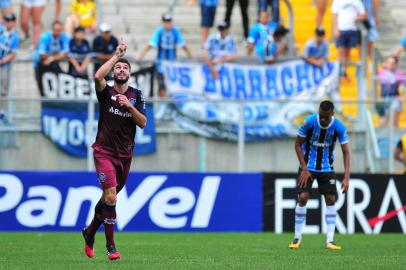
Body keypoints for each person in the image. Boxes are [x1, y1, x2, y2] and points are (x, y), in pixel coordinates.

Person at [82, 39, 147, 261]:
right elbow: (97, 77)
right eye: (118, 67)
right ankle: (110, 245)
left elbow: (143, 123)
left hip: (125, 155)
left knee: (108, 199)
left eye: (125, 67)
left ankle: (90, 232)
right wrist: (116, 56)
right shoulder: (106, 92)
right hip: (104, 152)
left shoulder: (136, 95)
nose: (121, 69)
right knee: (111, 196)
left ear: (129, 73)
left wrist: (129, 107)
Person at [289, 100, 350, 250]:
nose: (323, 119)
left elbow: (346, 152)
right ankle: (297, 238)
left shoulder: (339, 127)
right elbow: (297, 145)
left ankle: (330, 241)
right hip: (307, 167)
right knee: (303, 197)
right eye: (321, 116)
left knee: (330, 199)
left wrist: (347, 177)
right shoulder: (309, 122)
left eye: (326, 117)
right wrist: (304, 168)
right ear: (318, 112)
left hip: (326, 168)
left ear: (332, 115)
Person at [136, 13, 192, 96]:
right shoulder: (159, 31)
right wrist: (141, 55)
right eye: (166, 21)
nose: (168, 24)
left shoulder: (175, 31)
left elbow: (182, 44)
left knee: (172, 85)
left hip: (172, 64)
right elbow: (151, 44)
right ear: (163, 22)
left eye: (169, 21)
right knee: (161, 85)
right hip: (160, 64)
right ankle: (162, 103)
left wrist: (190, 55)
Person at [33, 20, 70, 95]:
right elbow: (42, 55)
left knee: (57, 82)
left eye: (60, 30)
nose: (58, 32)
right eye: (56, 30)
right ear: (52, 30)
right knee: (41, 86)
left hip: (52, 62)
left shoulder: (64, 37)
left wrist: (51, 58)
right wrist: (57, 56)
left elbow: (65, 53)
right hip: (40, 64)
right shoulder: (45, 37)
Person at [332, 0, 366, 79]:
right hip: (341, 28)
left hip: (353, 29)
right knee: (341, 50)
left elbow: (363, 14)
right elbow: (334, 15)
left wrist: (356, 18)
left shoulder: (357, 1)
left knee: (349, 51)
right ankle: (341, 71)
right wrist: (335, 28)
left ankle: (348, 71)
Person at [375, 56, 405, 128]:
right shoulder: (381, 72)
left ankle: (394, 138)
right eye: (389, 62)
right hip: (383, 99)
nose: (391, 64)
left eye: (393, 63)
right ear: (386, 63)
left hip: (394, 98)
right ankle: (380, 138)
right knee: (382, 124)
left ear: (396, 64)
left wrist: (403, 97)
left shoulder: (400, 74)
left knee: (394, 123)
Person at [0, 13, 19, 118]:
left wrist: (2, 61)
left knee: (3, 88)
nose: (8, 23)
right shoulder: (1, 30)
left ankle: (2, 110)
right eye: (6, 20)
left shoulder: (15, 37)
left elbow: (13, 53)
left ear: (14, 22)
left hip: (4, 64)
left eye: (10, 21)